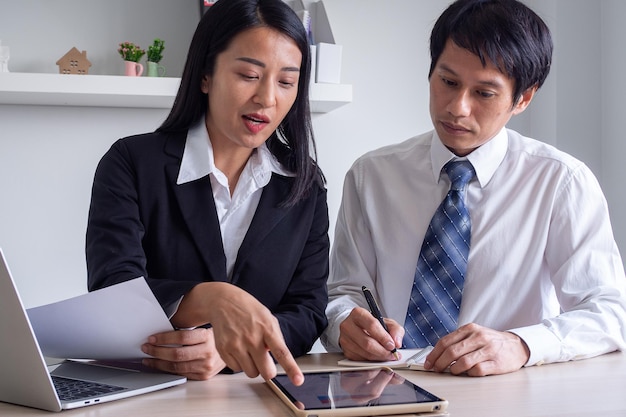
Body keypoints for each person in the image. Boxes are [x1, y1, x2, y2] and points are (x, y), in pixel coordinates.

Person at [321, 0, 626, 377]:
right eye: (447, 82)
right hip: (387, 387)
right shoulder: (371, 176)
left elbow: (608, 313)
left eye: (484, 93)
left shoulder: (561, 182)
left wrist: (521, 344)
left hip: (509, 394)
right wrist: (344, 324)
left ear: (524, 98)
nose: (457, 108)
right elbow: (343, 293)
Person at [86, 0, 329, 386]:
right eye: (249, 74)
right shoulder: (131, 162)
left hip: (253, 394)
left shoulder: (305, 185)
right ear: (205, 75)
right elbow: (112, 289)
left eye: (286, 82)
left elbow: (309, 310)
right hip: (145, 393)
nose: (267, 98)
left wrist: (227, 346)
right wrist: (211, 299)